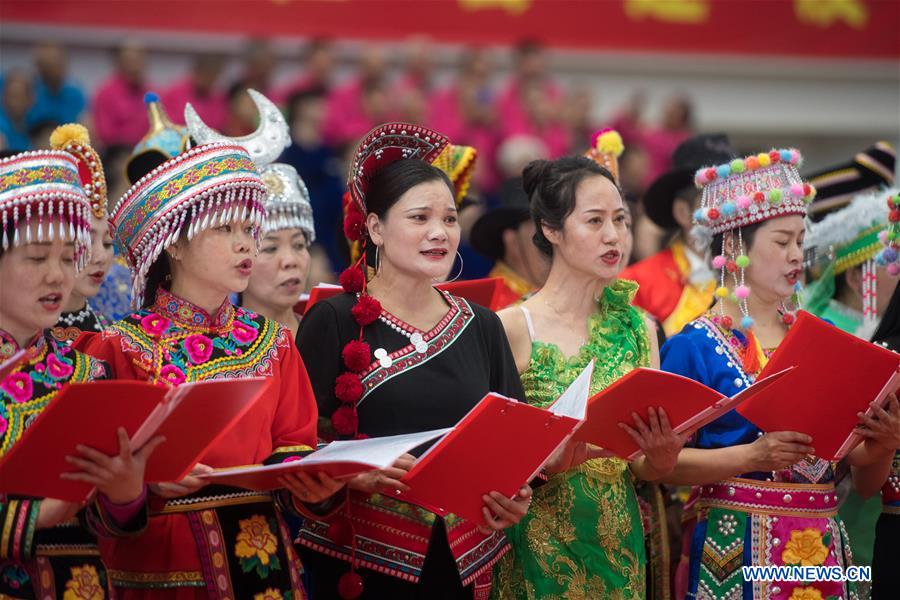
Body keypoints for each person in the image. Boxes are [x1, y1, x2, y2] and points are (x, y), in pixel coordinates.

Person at [74, 141, 341, 598]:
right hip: (161, 569)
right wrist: (140, 486)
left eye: (249, 228)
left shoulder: (272, 343)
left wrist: (315, 485)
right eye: (224, 229)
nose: (245, 244)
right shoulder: (118, 348)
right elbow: (89, 493)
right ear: (174, 243)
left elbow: (294, 447)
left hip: (265, 570)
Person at [295, 123, 531, 599]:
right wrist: (351, 471)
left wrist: (515, 497)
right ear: (376, 228)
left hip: (463, 564)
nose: (439, 233)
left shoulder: (482, 325)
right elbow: (296, 446)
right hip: (362, 563)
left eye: (448, 219)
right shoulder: (334, 319)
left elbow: (517, 442)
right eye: (420, 218)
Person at [659, 147, 892, 599]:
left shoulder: (819, 339)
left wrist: (885, 439)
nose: (795, 256)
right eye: (782, 242)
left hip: (822, 545)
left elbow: (855, 463)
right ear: (734, 246)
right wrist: (749, 457)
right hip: (734, 546)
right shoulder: (692, 345)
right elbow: (656, 464)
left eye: (801, 243)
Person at [490, 135, 685, 599]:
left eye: (620, 220)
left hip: (619, 549)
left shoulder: (641, 326)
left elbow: (641, 466)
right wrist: (544, 461)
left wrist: (661, 458)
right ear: (551, 230)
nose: (614, 236)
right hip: (533, 547)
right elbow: (489, 459)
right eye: (594, 221)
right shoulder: (511, 327)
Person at [0, 148, 157, 598]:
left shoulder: (88, 373)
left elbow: (111, 528)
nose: (57, 276)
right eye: (35, 258)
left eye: (69, 257)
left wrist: (125, 495)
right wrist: (38, 516)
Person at [185, 88, 316, 341]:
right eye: (269, 248)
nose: (291, 261)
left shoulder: (331, 337)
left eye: (299, 245)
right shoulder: (215, 346)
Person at [620, 134, 735, 337]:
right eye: (715, 200)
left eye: (733, 200)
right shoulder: (636, 284)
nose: (728, 211)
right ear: (683, 212)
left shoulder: (747, 278)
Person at [47, 124, 114, 343]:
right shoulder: (25, 335)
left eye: (107, 243)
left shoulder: (112, 335)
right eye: (85, 240)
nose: (100, 256)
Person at [93, 42, 151, 147]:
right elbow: (106, 134)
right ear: (118, 63)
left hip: (148, 150)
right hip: (117, 152)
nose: (135, 66)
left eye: (138, 60)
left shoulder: (153, 93)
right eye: (129, 61)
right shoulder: (106, 94)